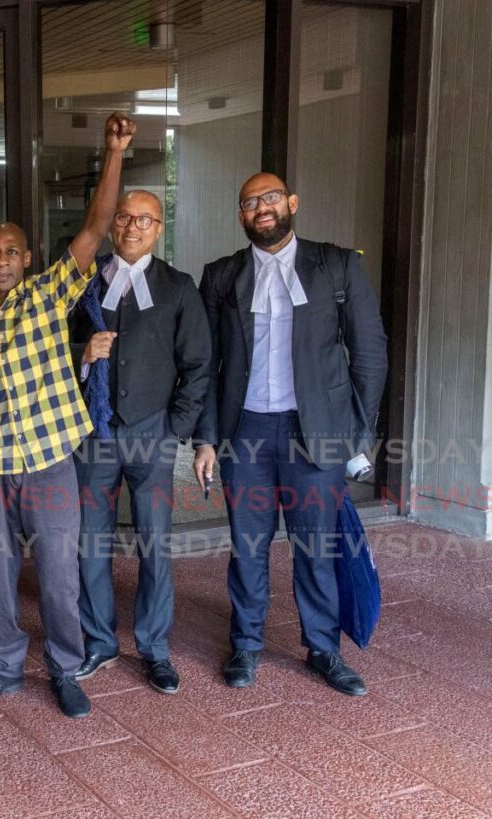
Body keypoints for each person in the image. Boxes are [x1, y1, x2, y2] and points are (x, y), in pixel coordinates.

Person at [0, 112, 136, 719]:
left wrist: (114, 153)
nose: (1, 260)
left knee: (58, 575)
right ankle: (2, 667)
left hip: (51, 459)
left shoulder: (50, 294)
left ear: (27, 258)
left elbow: (98, 226)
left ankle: (66, 669)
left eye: (12, 251)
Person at [192, 173, 387, 696]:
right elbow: (205, 365)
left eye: (271, 198)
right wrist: (206, 439)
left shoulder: (337, 264)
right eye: (250, 202)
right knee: (247, 546)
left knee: (316, 547)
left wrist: (356, 435)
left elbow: (369, 353)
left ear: (292, 203)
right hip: (245, 433)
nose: (262, 208)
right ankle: (246, 643)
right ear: (240, 215)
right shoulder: (221, 276)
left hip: (315, 433)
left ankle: (324, 648)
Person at [68, 190, 211, 693]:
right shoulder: (82, 281)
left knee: (155, 543)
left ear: (158, 228)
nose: (132, 227)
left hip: (153, 434)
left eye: (144, 219)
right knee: (89, 542)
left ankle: (153, 647)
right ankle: (99, 642)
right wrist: (82, 353)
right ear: (113, 225)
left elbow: (197, 365)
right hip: (93, 432)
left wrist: (175, 428)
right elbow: (51, 347)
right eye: (124, 217)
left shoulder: (178, 287)